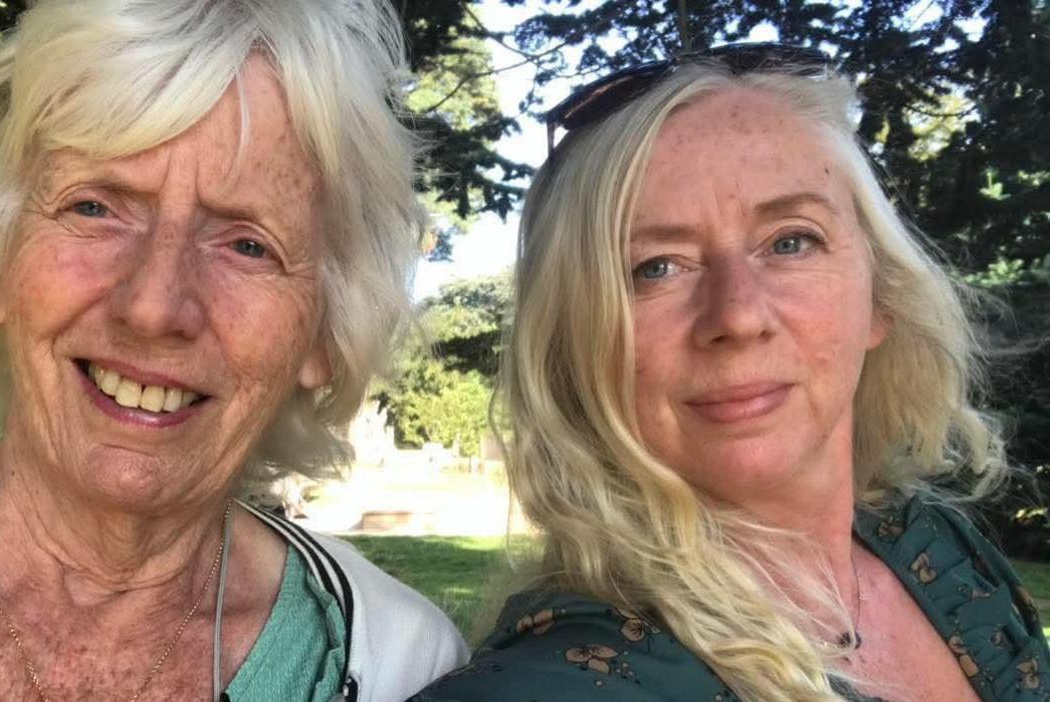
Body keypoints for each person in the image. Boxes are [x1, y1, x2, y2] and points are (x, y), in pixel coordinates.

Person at [0, 1, 468, 700]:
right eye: (96, 206)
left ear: (324, 332)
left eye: (247, 244)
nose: (153, 307)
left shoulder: (405, 668)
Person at [413, 44, 1048, 702]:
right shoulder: (556, 686)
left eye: (791, 241)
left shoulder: (935, 551)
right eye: (654, 266)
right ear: (572, 351)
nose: (738, 315)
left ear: (880, 297)